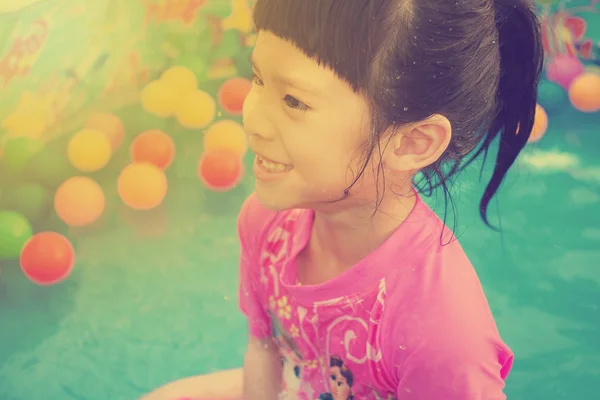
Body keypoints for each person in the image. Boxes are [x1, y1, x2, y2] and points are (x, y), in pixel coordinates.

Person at [143, 0, 543, 399]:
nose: (252, 118)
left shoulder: (441, 329)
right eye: (259, 78)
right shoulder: (265, 222)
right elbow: (265, 347)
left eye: (294, 101)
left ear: (410, 142)